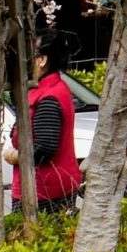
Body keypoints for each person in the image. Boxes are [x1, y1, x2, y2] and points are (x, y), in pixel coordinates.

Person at [5, 33, 83, 215]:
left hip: (44, 190)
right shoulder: (51, 89)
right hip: (50, 186)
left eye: (28, 54)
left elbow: (45, 148)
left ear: (41, 60)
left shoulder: (48, 97)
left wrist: (14, 155)